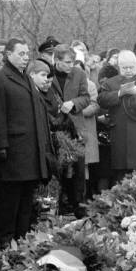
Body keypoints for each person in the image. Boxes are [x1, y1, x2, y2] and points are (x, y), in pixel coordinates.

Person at [0, 38, 52, 250]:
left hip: (30, 150)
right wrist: (1, 147)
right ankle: (6, 239)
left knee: (26, 198)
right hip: (12, 151)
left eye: (27, 54)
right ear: (8, 54)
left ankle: (22, 237)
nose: (25, 58)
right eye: (21, 53)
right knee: (9, 199)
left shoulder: (25, 78)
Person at [98, 50, 136, 181]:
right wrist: (119, 93)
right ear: (119, 67)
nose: (128, 70)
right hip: (120, 132)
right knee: (120, 171)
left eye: (131, 67)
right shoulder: (111, 83)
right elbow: (101, 100)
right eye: (124, 68)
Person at [49, 44, 90, 215]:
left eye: (73, 61)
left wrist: (73, 103)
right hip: (54, 127)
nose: (70, 65)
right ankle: (54, 207)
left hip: (75, 128)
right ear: (57, 60)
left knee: (78, 171)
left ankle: (78, 206)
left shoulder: (79, 74)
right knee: (56, 170)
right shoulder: (47, 74)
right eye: (67, 62)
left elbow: (86, 97)